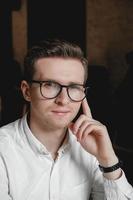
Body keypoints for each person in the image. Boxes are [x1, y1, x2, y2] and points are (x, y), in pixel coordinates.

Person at [0, 39, 132, 200]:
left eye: (74, 87)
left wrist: (108, 160)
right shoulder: (3, 149)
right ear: (27, 91)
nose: (63, 100)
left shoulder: (90, 147)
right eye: (49, 84)